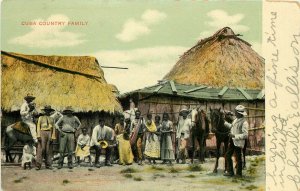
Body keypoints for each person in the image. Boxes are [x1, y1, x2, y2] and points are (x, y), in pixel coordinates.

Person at [224, 105, 249, 177]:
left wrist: (234, 136)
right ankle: (230, 172)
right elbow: (231, 126)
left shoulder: (244, 122)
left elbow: (245, 135)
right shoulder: (235, 120)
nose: (235, 113)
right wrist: (224, 123)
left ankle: (239, 174)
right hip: (232, 141)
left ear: (239, 113)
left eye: (236, 112)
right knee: (228, 155)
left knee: (238, 157)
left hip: (238, 142)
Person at [36, 105, 56, 170]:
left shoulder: (52, 119)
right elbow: (38, 126)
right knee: (41, 149)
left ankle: (49, 165)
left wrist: (53, 136)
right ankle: (38, 165)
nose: (48, 112)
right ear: (44, 111)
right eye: (46, 110)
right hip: (42, 132)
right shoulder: (41, 118)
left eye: (49, 111)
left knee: (48, 149)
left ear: (50, 112)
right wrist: (38, 135)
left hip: (49, 133)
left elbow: (54, 128)